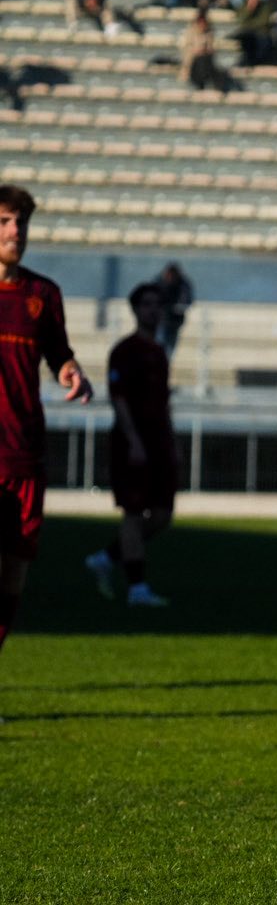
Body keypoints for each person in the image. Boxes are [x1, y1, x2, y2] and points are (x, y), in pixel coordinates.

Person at [0, 185, 93, 674]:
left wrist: (70, 371)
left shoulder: (42, 294)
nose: (16, 232)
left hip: (25, 455)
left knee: (12, 576)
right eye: (5, 223)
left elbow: (58, 353)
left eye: (22, 224)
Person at [84, 283, 176, 607]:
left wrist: (170, 439)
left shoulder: (159, 351)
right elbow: (118, 399)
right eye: (147, 304)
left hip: (159, 443)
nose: (153, 310)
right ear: (135, 310)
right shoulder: (124, 351)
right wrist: (133, 440)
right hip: (131, 444)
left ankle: (107, 558)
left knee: (163, 515)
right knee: (134, 514)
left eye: (157, 304)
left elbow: (163, 402)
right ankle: (137, 589)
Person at [153, 263, 192, 359]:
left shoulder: (183, 285)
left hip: (174, 323)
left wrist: (176, 308)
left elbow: (186, 301)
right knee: (161, 345)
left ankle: (163, 365)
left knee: (169, 348)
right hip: (162, 322)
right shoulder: (159, 283)